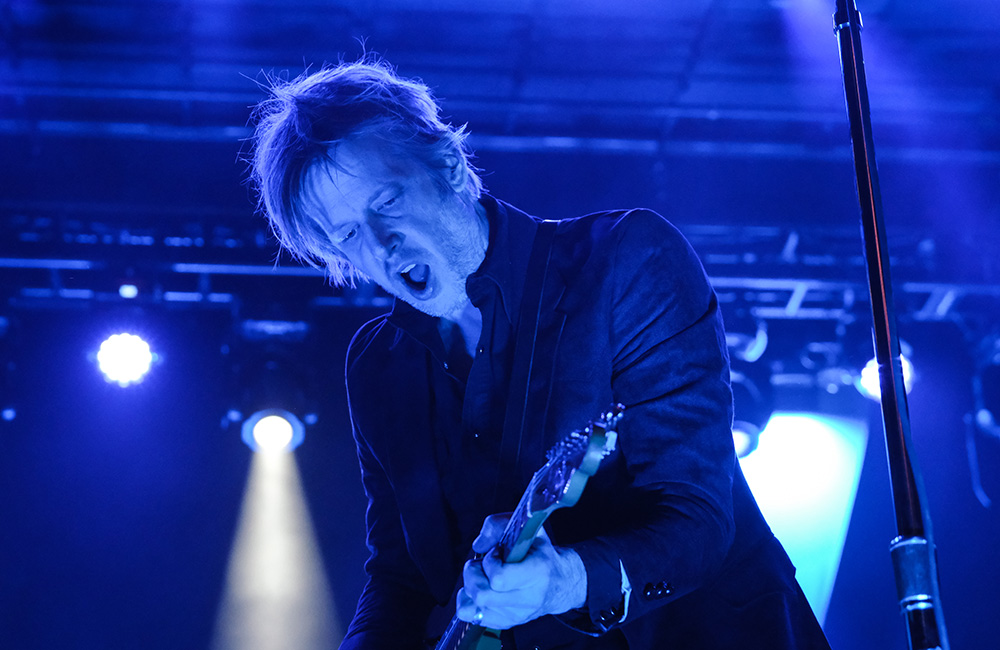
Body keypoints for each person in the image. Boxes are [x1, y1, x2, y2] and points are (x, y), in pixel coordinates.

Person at [249, 58, 831, 650]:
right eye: (347, 235)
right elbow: (399, 577)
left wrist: (563, 583)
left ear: (448, 167)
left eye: (388, 201)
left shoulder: (626, 261)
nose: (378, 243)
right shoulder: (375, 363)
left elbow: (698, 521)